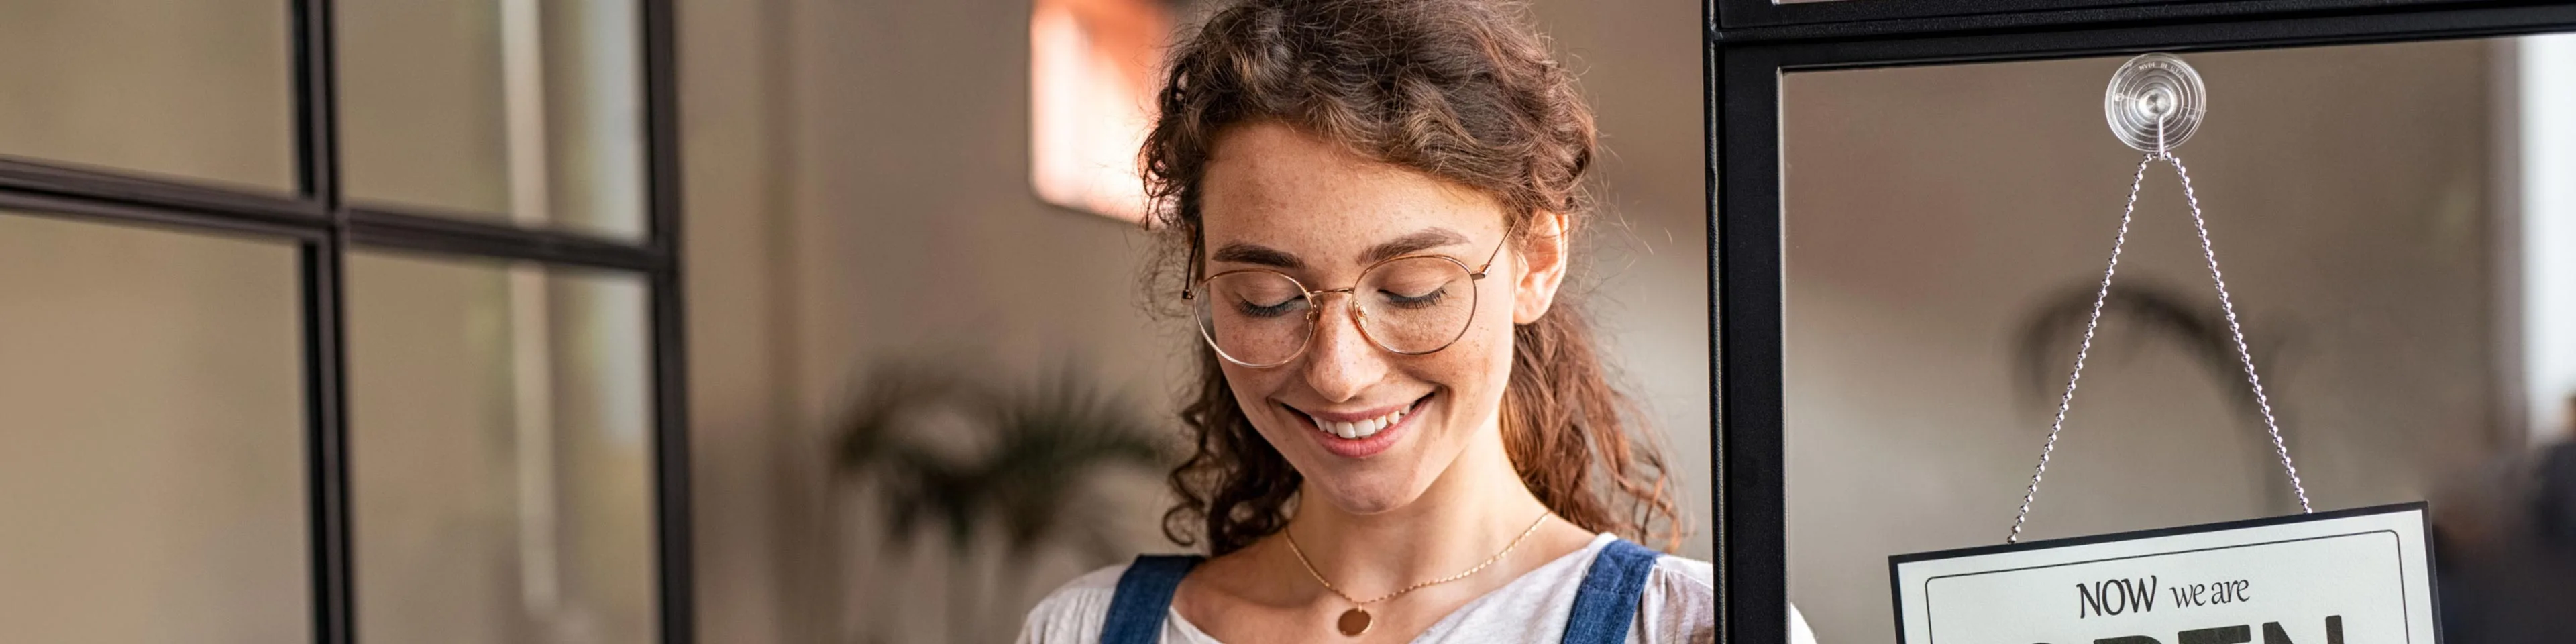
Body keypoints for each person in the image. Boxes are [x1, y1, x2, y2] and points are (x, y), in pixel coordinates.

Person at [1016, 1, 1720, 642]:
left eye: (1412, 291)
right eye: (1266, 297)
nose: (1337, 373)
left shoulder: (1686, 627)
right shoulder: (1083, 629)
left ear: (1535, 262)